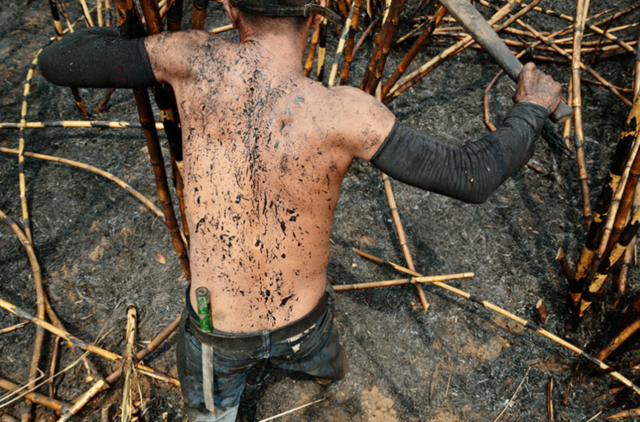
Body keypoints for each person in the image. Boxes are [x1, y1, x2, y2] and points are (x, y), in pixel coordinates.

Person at [38, 0, 562, 419]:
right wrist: (532, 108)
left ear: (231, 9)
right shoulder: (344, 112)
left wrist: (139, 33)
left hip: (216, 337)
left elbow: (59, 61)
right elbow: (471, 174)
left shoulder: (190, 58)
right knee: (327, 367)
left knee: (212, 412)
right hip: (306, 324)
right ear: (314, 19)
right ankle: (322, 374)